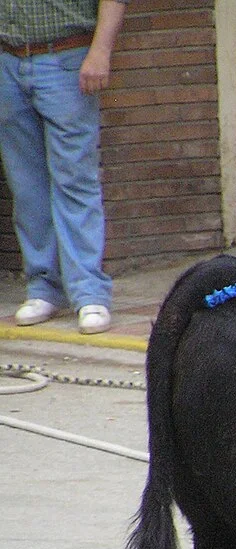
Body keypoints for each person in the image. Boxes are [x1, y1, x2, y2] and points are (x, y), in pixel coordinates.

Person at [0, 0, 127, 335]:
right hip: (7, 59)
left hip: (66, 56)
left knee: (75, 179)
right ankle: (43, 288)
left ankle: (89, 292)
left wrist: (101, 51)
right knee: (26, 187)